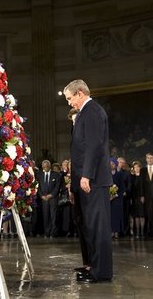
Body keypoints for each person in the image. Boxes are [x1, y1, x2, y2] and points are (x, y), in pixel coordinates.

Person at [63, 79, 113, 283]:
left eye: (69, 98)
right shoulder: (84, 113)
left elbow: (94, 146)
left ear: (80, 93)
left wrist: (86, 175)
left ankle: (101, 272)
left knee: (98, 226)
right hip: (84, 179)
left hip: (93, 180)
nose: (69, 103)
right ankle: (91, 265)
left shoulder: (92, 111)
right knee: (88, 225)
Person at [38, 160, 62, 238]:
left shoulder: (56, 175)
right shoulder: (39, 174)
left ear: (50, 166)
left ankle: (53, 232)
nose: (46, 168)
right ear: (42, 167)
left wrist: (51, 195)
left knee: (53, 216)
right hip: (43, 198)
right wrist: (41, 196)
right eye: (44, 167)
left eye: (47, 166)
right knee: (46, 215)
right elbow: (38, 187)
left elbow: (57, 187)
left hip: (53, 198)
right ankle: (47, 232)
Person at [129, 161, 145, 238]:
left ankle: (142, 232)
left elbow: (145, 188)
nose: (136, 168)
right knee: (136, 216)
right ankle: (137, 232)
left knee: (142, 215)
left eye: (138, 167)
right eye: (135, 167)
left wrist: (143, 196)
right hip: (134, 198)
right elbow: (131, 188)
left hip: (142, 198)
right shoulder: (132, 177)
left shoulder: (143, 176)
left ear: (140, 168)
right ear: (133, 168)